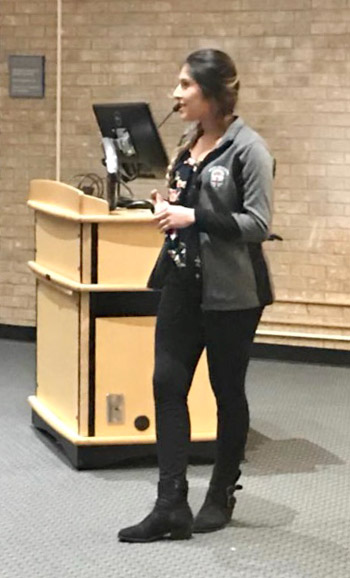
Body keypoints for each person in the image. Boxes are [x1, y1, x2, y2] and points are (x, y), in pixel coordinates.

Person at [118, 48, 274, 543]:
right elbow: (187, 202)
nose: (175, 94)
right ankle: (170, 505)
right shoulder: (189, 142)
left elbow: (259, 224)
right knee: (167, 384)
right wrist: (168, 204)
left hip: (233, 294)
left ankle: (221, 492)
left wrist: (195, 217)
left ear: (211, 93)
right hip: (182, 284)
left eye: (185, 85)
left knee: (227, 393)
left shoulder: (249, 149)